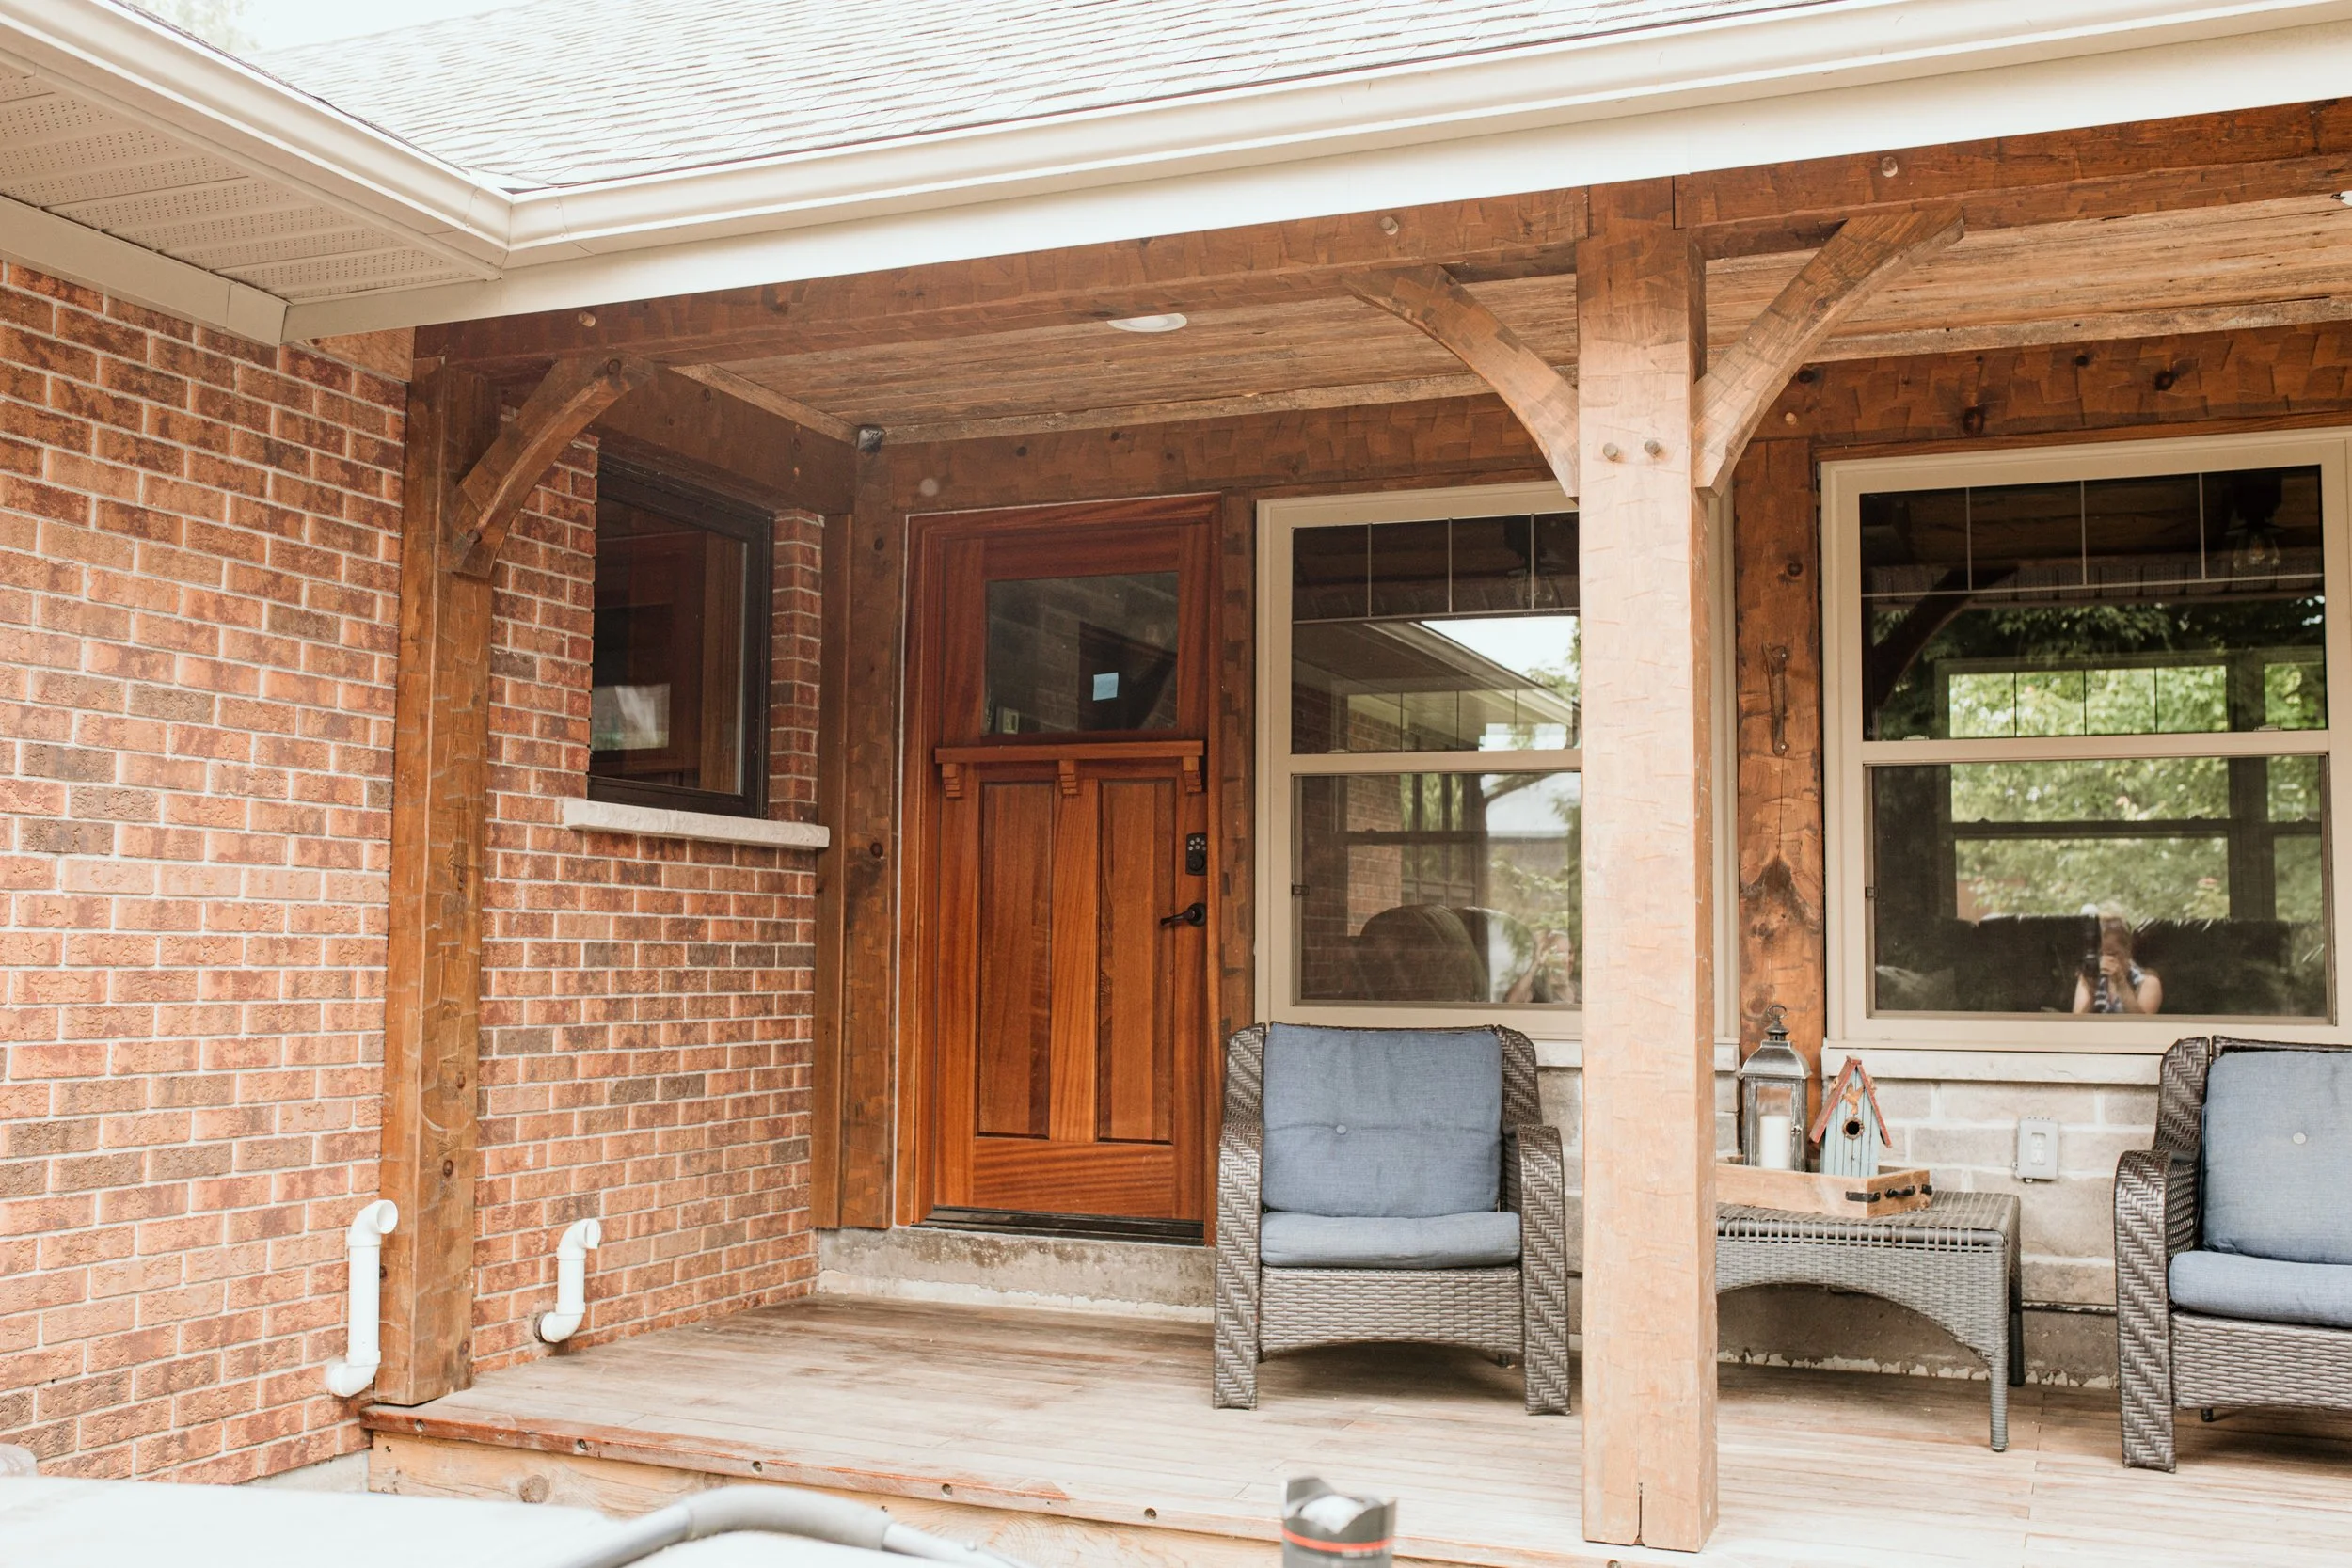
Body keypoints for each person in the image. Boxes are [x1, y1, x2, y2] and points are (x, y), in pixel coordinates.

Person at [2071, 904, 2162, 1014]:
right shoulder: (2090, 977)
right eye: (2099, 954)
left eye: (2112, 954)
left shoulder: (2148, 981)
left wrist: (2121, 983)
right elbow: (2076, 1023)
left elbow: (2143, 1026)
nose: (2104, 960)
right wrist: (2091, 993)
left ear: (2128, 950)